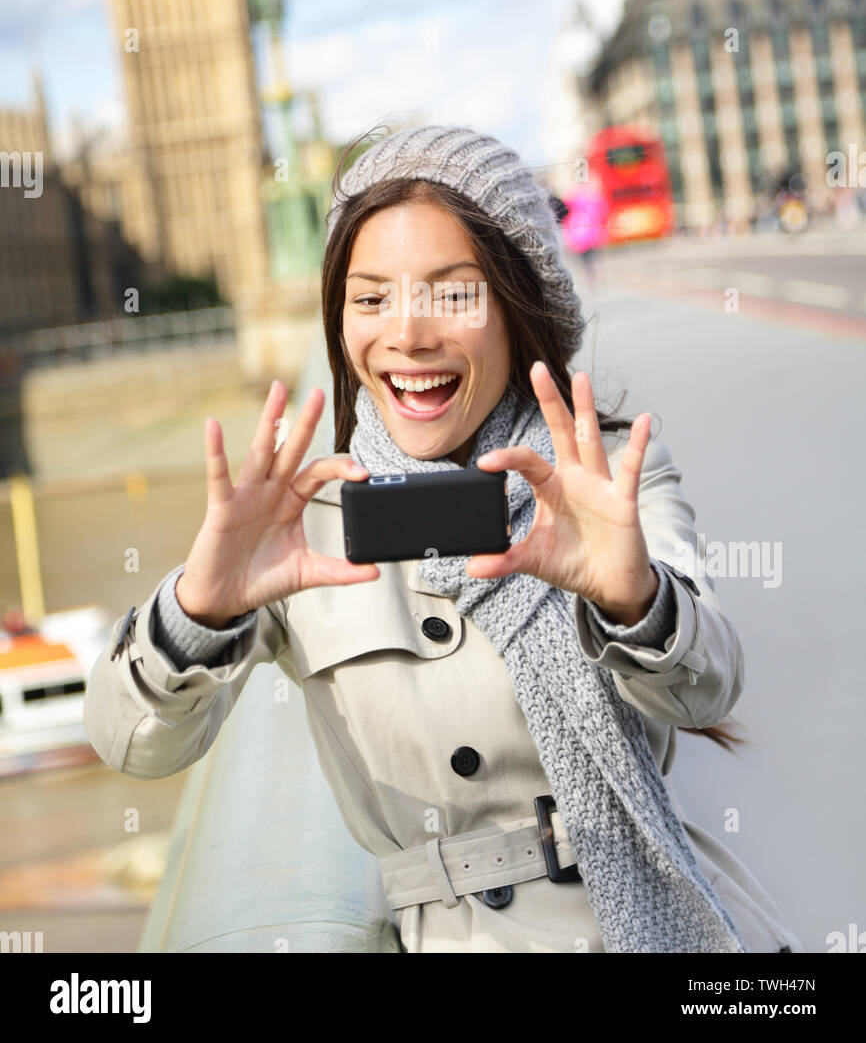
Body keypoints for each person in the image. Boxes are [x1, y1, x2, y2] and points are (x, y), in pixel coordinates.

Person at [84, 123, 805, 954]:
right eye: (372, 296)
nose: (409, 334)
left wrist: (631, 597)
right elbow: (129, 744)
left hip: (675, 923)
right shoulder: (306, 519)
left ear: (516, 305)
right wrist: (197, 610)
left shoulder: (602, 476)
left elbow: (707, 689)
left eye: (453, 293)